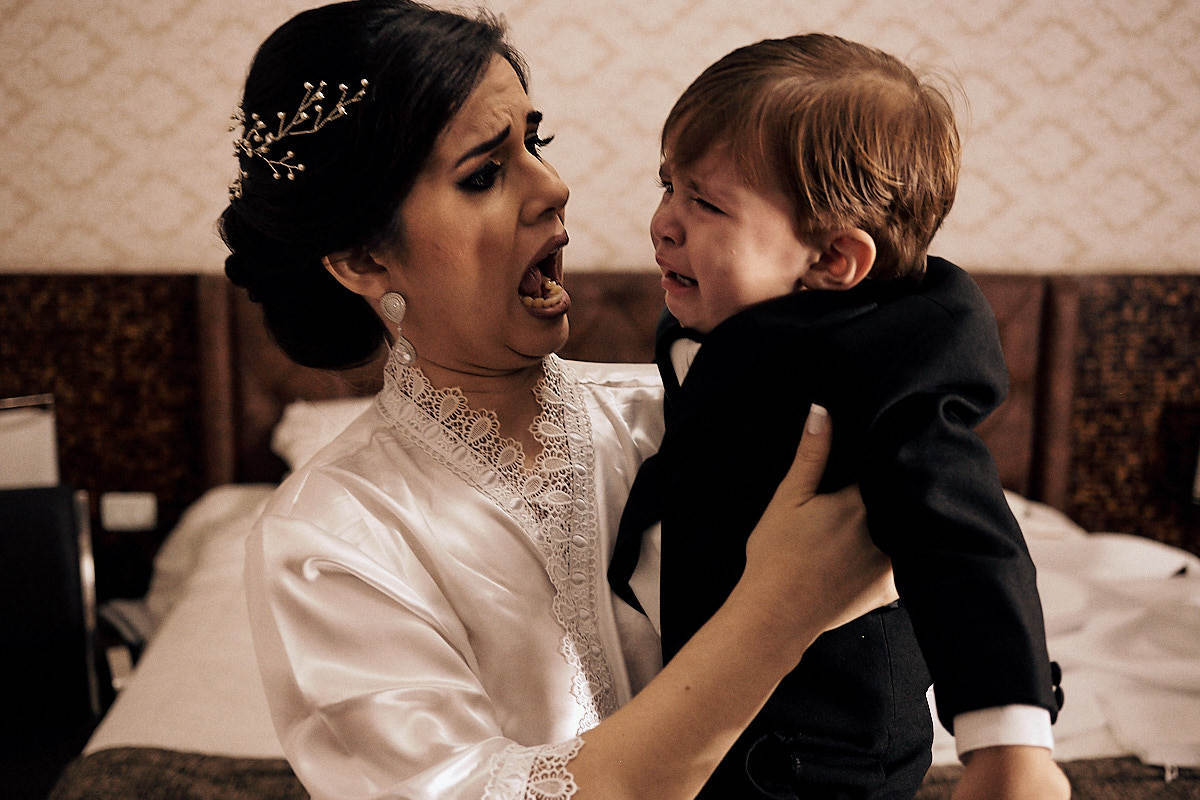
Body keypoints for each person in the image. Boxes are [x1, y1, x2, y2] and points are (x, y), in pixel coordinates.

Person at [222, 4, 896, 799]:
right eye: (483, 173)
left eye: (535, 144)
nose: (554, 187)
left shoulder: (683, 415)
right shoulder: (330, 538)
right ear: (365, 258)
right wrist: (778, 612)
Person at [607, 34, 1068, 799]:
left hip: (820, 751)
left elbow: (965, 540)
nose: (663, 222)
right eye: (668, 187)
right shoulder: (715, 322)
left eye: (707, 203)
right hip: (700, 708)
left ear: (833, 262)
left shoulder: (885, 367)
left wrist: (1008, 744)